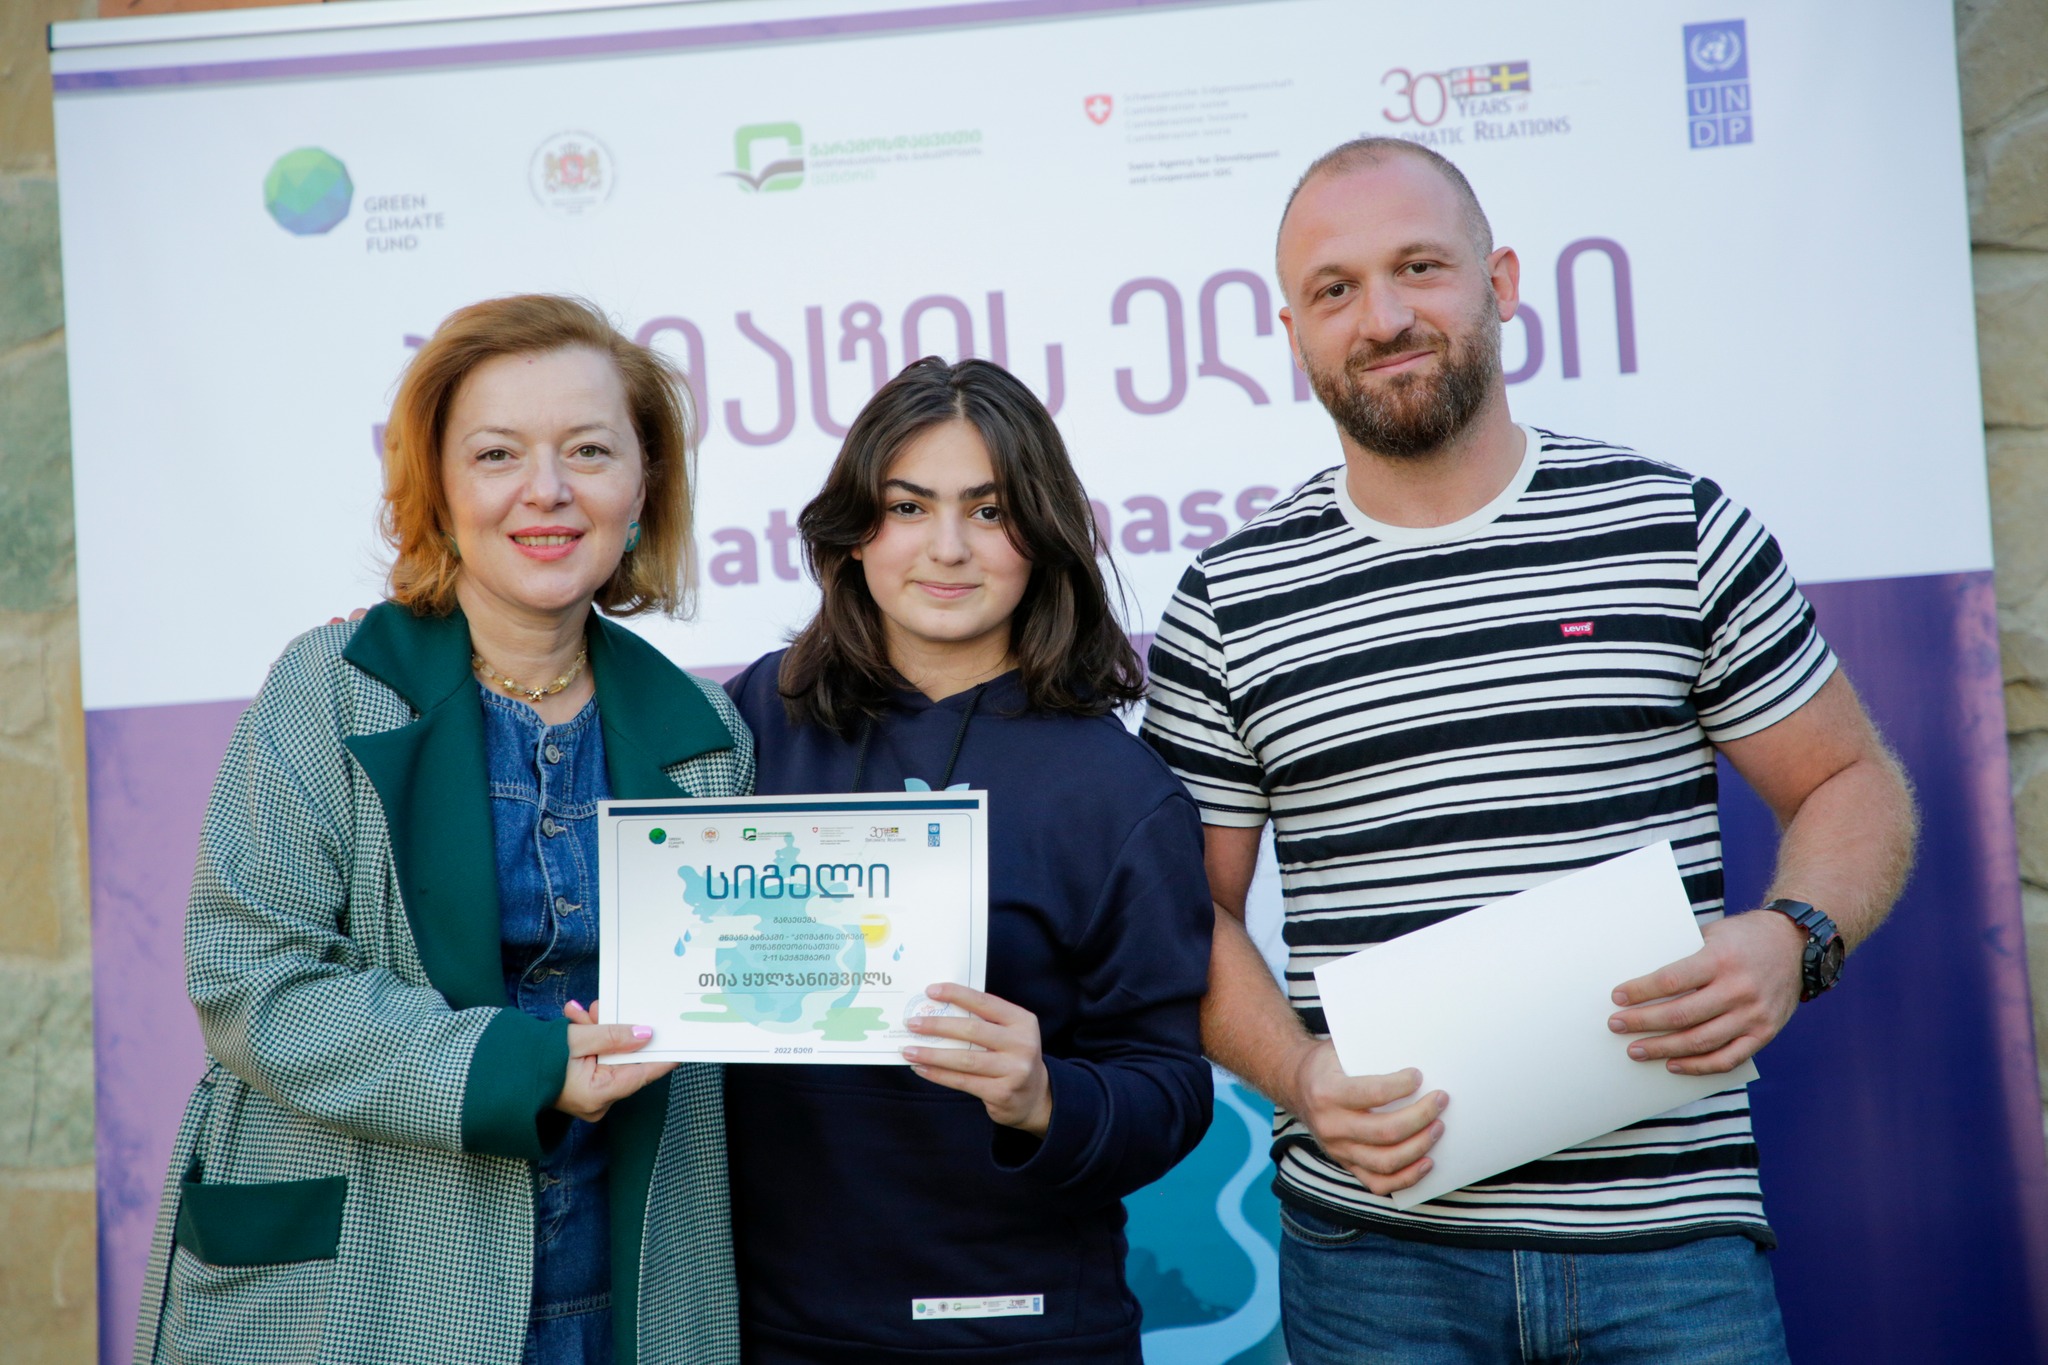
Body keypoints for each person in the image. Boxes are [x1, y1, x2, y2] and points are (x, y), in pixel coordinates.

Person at [1140, 138, 1918, 1364]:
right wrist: (1296, 1075)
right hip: (1375, 1254)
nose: (1382, 318)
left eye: (1418, 267)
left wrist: (1792, 937)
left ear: (1498, 282)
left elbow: (1846, 780)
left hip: (1670, 1248)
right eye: (1335, 289)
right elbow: (1183, 913)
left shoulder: (1672, 528)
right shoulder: (1230, 601)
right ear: (1290, 331)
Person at [134, 295, 751, 1365]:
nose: (546, 490)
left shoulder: (708, 736)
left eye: (590, 450)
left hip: (616, 1293)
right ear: (440, 486)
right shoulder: (326, 691)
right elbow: (251, 980)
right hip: (363, 1289)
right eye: (498, 453)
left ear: (643, 484)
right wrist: (525, 1067)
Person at [711, 357, 1215, 1364]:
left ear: (1044, 535)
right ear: (854, 531)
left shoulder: (1116, 791)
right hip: (768, 1330)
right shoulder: (747, 725)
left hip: (1022, 1330)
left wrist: (1043, 1097)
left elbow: (1170, 1086)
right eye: (908, 507)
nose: (948, 547)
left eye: (989, 512)